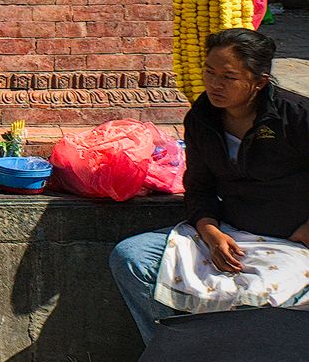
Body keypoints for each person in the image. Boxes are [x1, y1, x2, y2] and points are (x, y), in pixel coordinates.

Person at [110, 27, 309, 342]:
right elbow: (199, 188)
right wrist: (211, 233)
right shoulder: (201, 118)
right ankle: (175, 360)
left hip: (291, 243)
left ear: (259, 82)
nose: (215, 84)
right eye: (209, 72)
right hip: (228, 233)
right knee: (131, 256)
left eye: (228, 77)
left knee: (254, 298)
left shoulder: (298, 117)